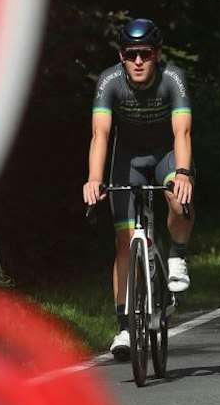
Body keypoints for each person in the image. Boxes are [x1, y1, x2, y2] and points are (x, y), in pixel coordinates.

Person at [83, 18, 195, 358]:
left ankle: (177, 255)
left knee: (179, 196)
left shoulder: (172, 79)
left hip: (166, 153)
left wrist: (184, 173)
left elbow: (183, 133)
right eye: (131, 54)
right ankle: (123, 328)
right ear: (121, 56)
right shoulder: (109, 82)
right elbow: (100, 134)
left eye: (145, 54)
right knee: (122, 240)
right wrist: (94, 178)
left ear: (157, 55)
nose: (138, 62)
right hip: (127, 159)